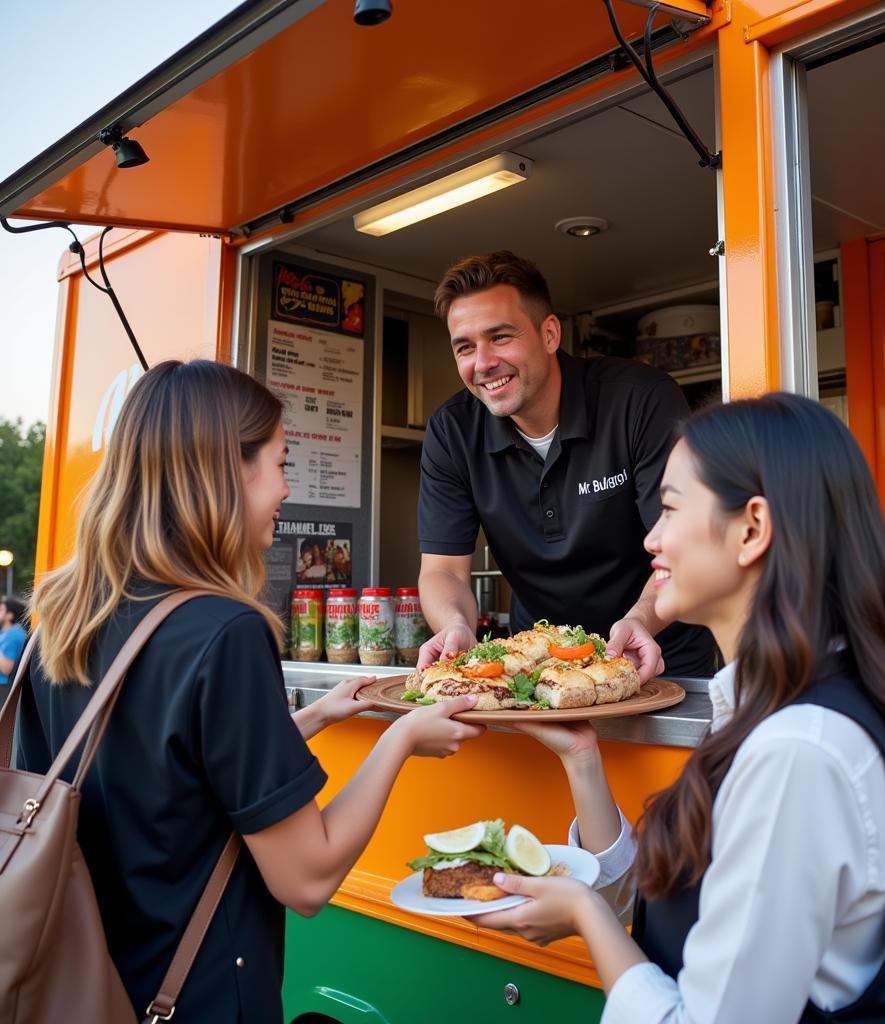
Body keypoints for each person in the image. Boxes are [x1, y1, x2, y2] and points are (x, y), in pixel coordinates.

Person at [474, 393, 885, 1023]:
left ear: (752, 530)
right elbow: (687, 918)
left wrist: (583, 914)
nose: (651, 537)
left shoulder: (797, 751)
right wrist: (582, 759)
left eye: (671, 508)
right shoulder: (770, 709)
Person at [16, 360, 483, 1023]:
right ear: (225, 473)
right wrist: (402, 736)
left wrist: (317, 714)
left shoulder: (60, 614)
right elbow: (307, 878)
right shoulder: (224, 631)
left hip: (88, 983)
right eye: (280, 464)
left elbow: (161, 780)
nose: (286, 490)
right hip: (195, 996)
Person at [417, 250, 715, 679]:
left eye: (500, 337)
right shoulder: (453, 432)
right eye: (465, 347)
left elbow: (683, 544)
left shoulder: (639, 400)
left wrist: (640, 621)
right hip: (538, 666)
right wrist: (455, 626)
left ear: (550, 333)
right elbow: (443, 570)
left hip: (657, 653)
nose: (482, 363)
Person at [0, 593, 28, 688]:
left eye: (1, 609)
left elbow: (7, 668)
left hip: (5, 688)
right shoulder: (6, 632)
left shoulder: (15, 634)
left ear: (10, 615)